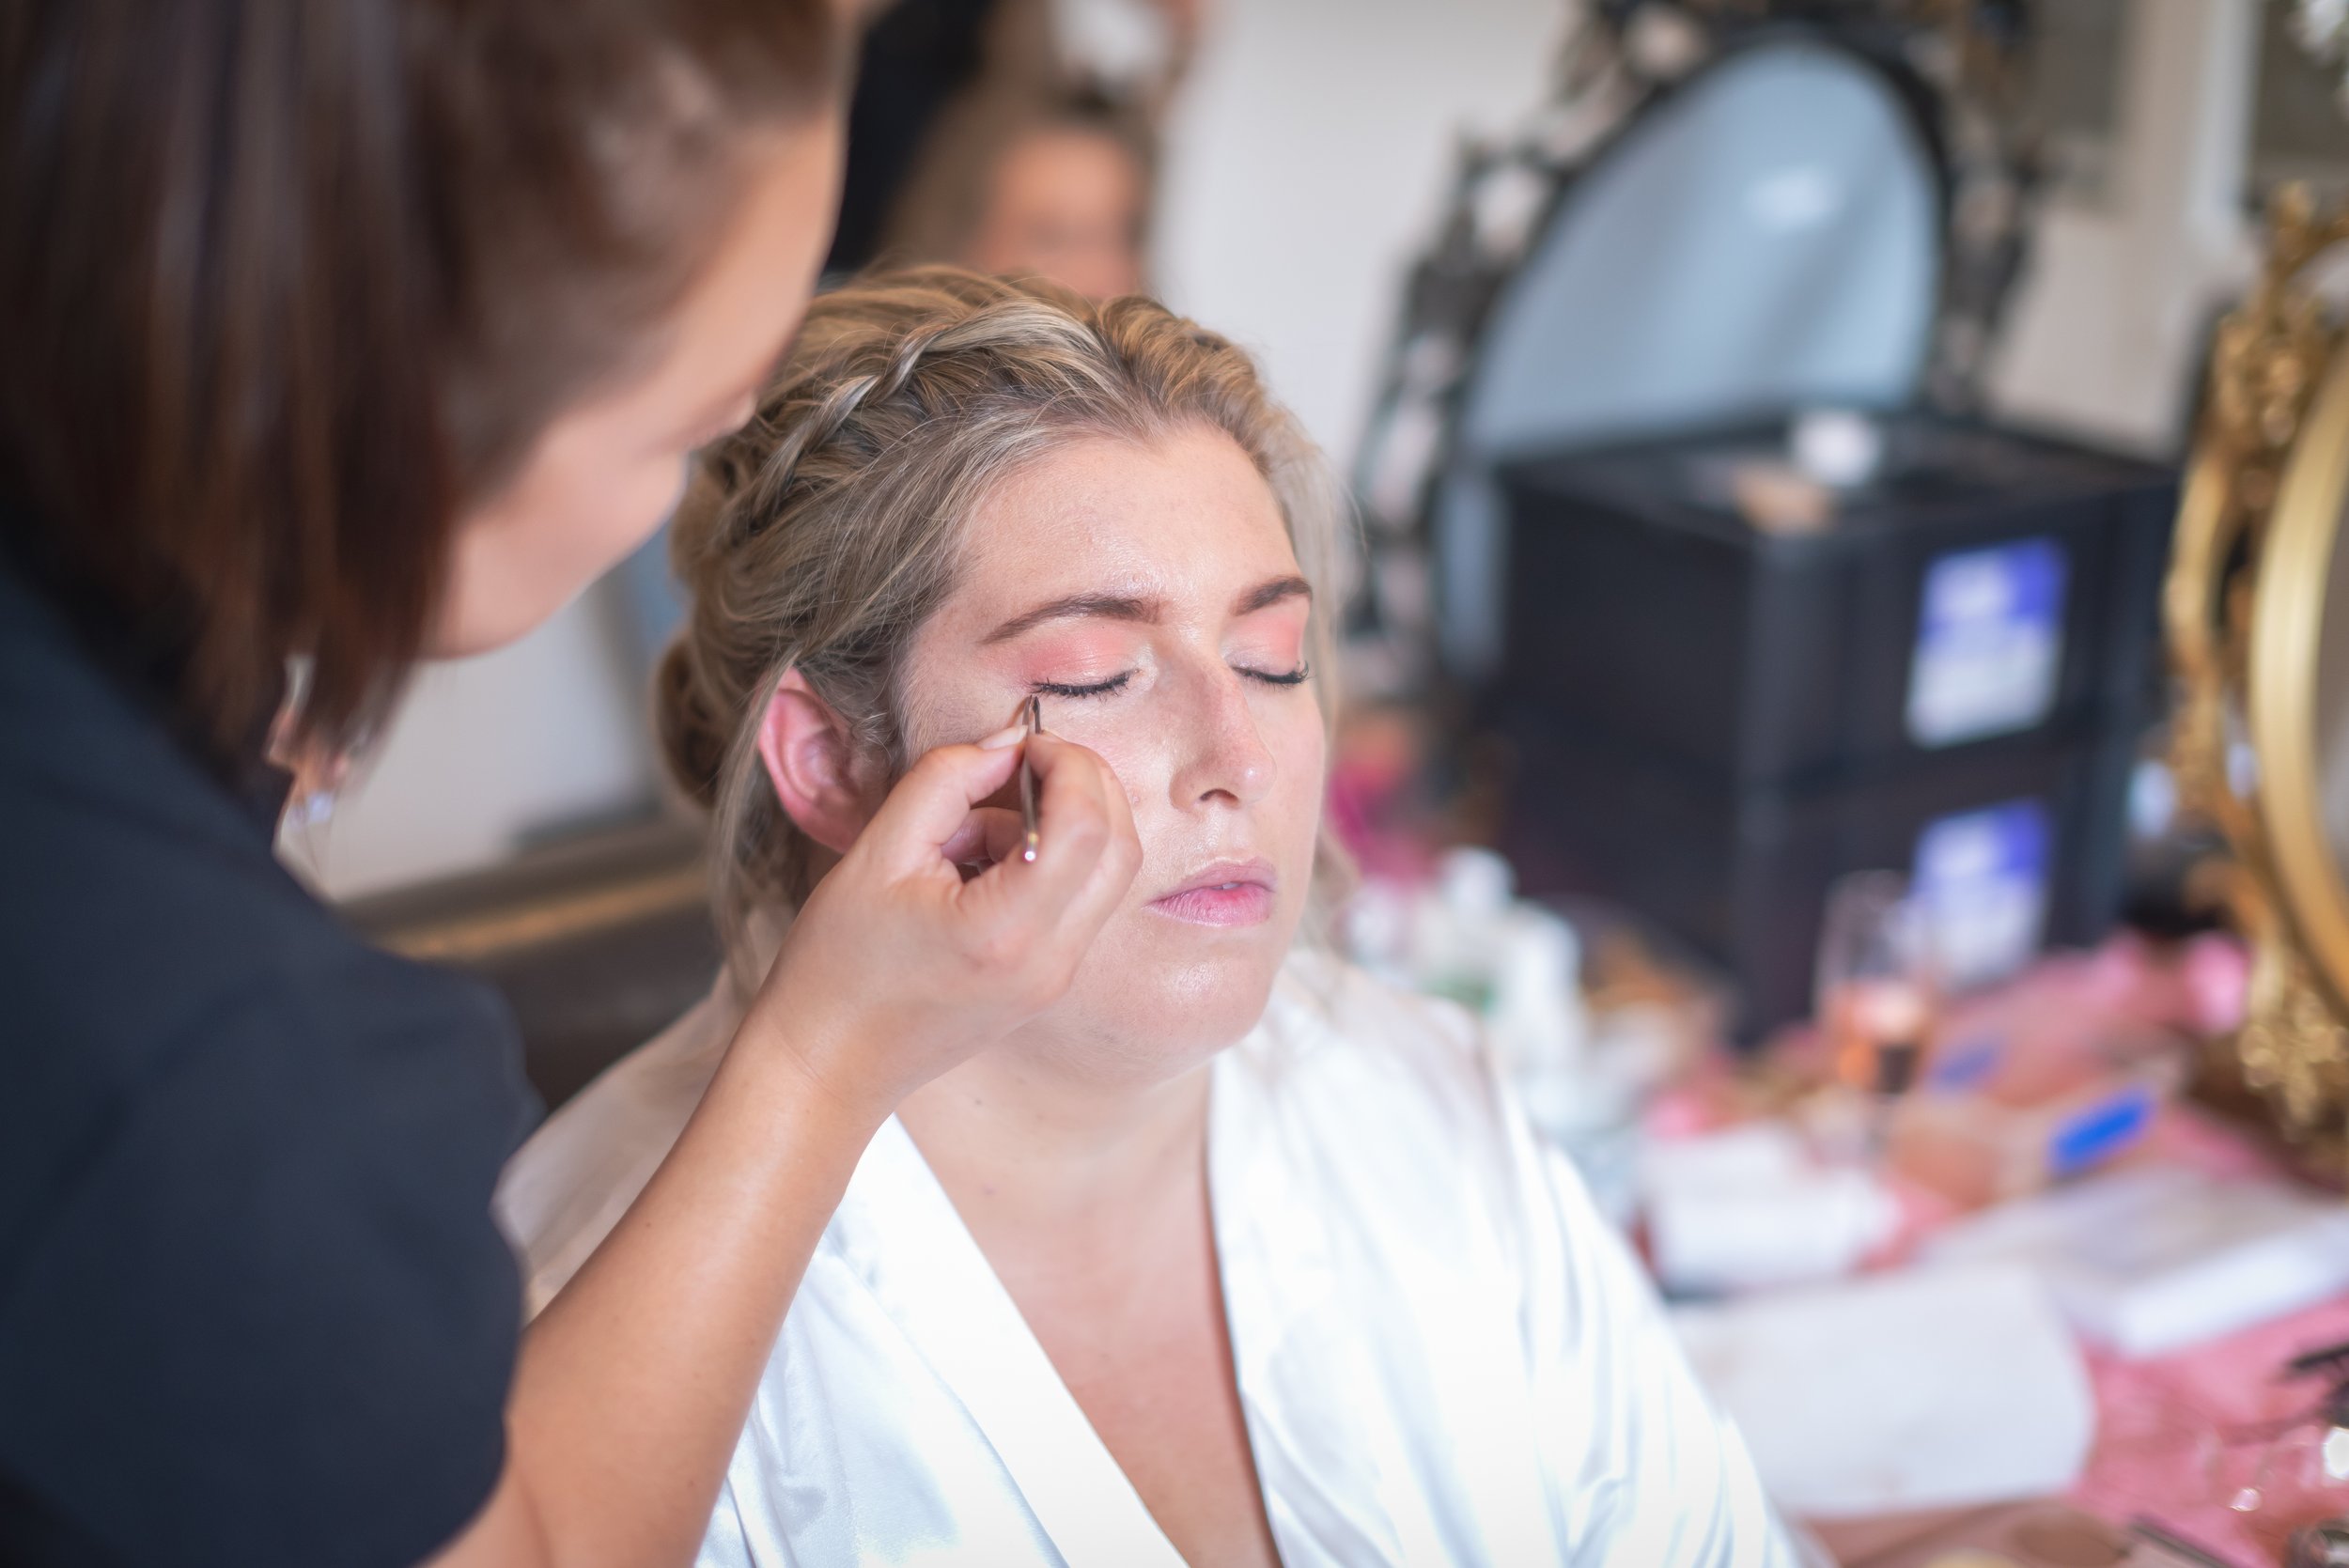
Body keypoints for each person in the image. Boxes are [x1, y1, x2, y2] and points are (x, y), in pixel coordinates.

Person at [0, 8, 1143, 1566]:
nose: (729, 435)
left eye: (1278, 658)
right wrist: (825, 1054)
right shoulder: (212, 1064)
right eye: (692, 416)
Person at [499, 267, 1797, 1567]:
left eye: (1272, 657)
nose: (1235, 752)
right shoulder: (597, 1333)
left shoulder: (1418, 1098)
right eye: (1098, 675)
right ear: (835, 763)